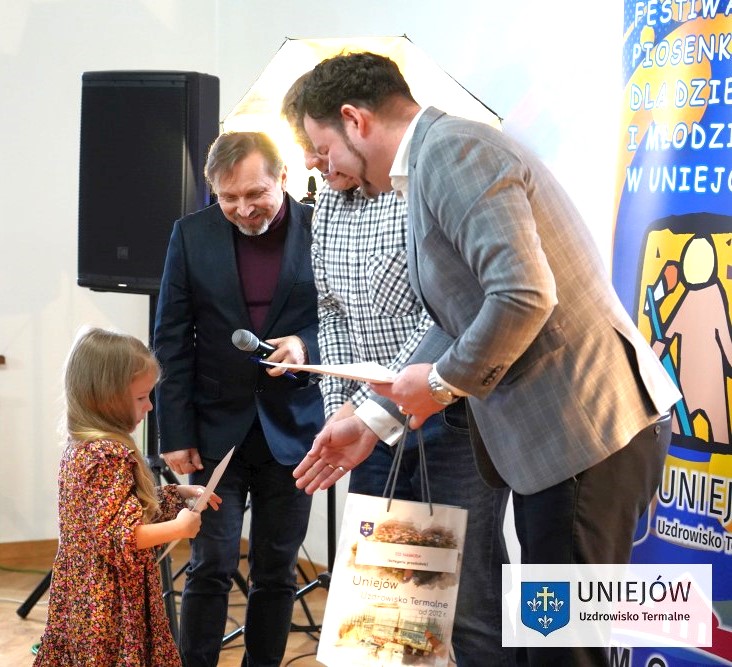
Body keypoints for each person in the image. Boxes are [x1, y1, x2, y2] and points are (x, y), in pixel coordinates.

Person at [291, 52, 681, 666]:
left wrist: (440, 385)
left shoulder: (452, 153)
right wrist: (371, 420)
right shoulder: (434, 161)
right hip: (569, 443)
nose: (321, 166)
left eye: (322, 148)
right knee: (547, 646)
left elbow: (524, 296)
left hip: (586, 435)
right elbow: (460, 316)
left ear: (354, 120)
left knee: (564, 653)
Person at [281, 77, 514, 667]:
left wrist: (374, 407)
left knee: (470, 601)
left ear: (353, 125)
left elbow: (443, 316)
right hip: (373, 430)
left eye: (318, 147)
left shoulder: (416, 189)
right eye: (304, 147)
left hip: (449, 420)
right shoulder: (327, 207)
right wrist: (342, 405)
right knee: (384, 609)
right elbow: (330, 312)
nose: (310, 161)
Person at [153, 131, 324, 667]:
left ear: (283, 178)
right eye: (228, 198)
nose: (244, 209)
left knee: (276, 571)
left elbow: (347, 317)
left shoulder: (323, 229)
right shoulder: (190, 235)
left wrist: (305, 345)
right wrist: (174, 432)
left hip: (294, 429)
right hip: (212, 430)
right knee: (211, 565)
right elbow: (171, 340)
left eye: (255, 194)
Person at [34, 327, 220, 667]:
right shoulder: (107, 455)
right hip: (109, 603)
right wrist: (180, 528)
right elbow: (121, 535)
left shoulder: (83, 447)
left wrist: (176, 494)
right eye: (141, 398)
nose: (149, 406)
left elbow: (118, 509)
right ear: (106, 398)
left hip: (85, 594)